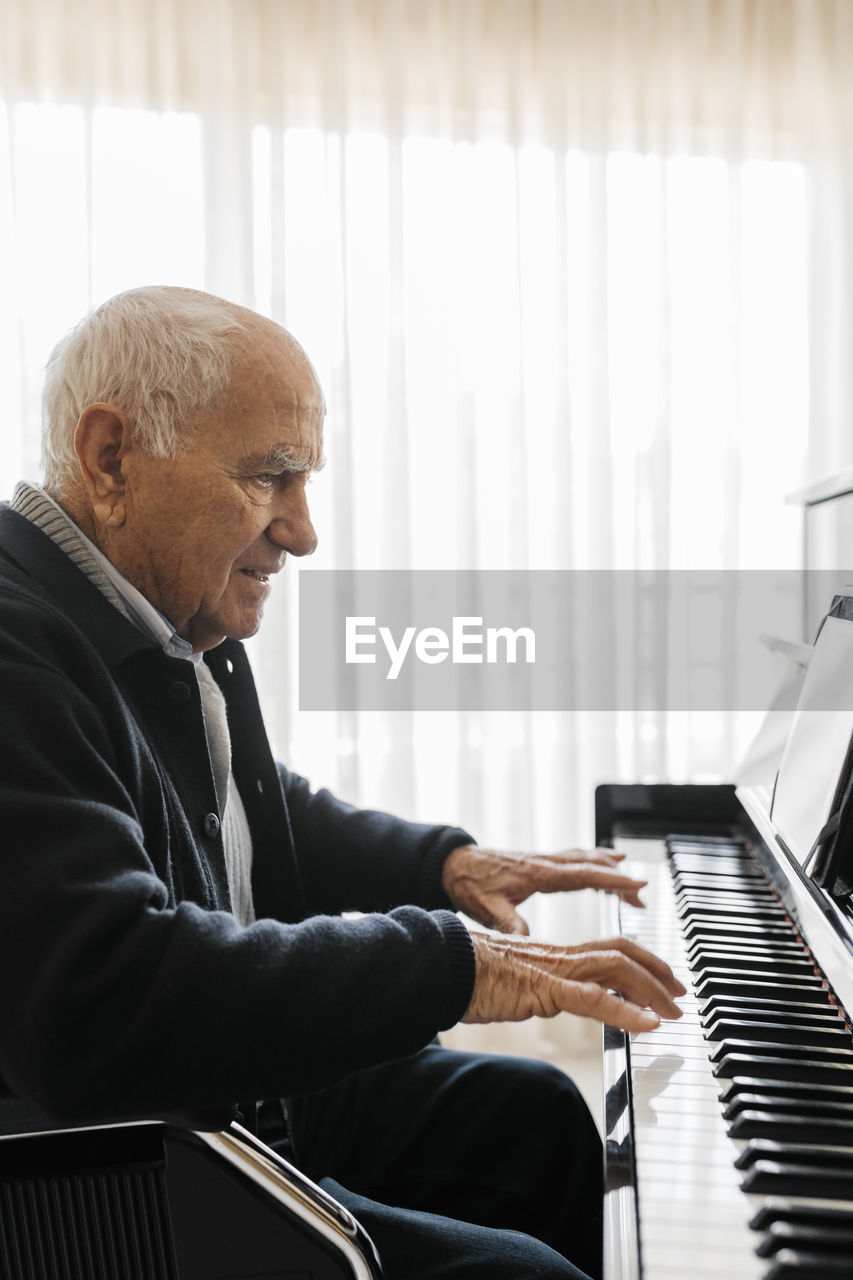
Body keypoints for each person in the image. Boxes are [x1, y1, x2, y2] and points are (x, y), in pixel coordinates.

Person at [0, 286, 684, 1280]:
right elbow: (102, 993)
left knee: (540, 1118)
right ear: (111, 458)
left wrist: (440, 864)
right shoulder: (16, 649)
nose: (304, 531)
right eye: (271, 476)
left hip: (220, 1090)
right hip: (116, 1171)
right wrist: (447, 962)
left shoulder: (150, 619)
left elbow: (249, 809)